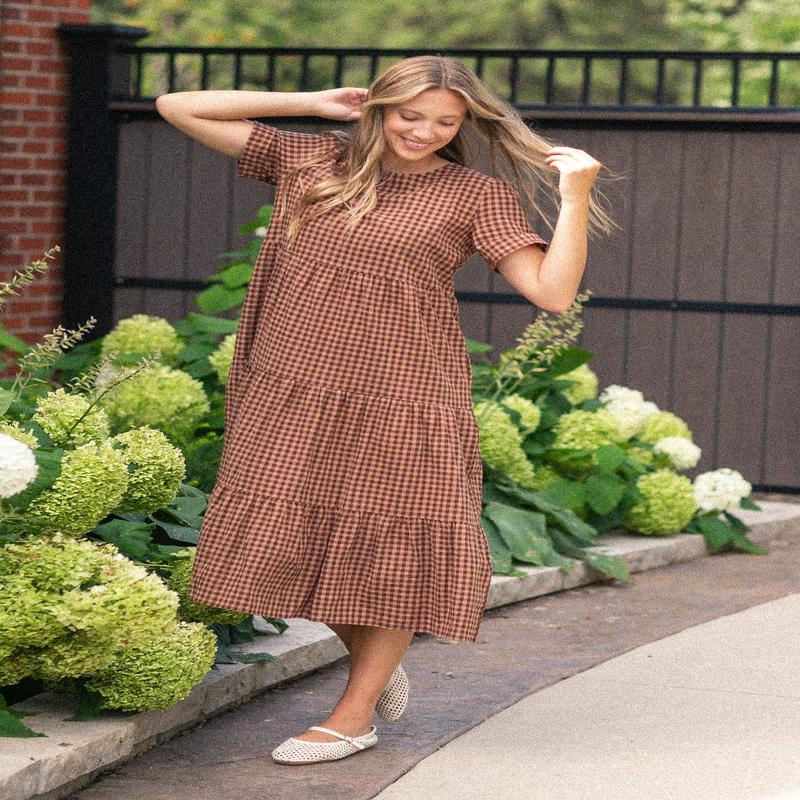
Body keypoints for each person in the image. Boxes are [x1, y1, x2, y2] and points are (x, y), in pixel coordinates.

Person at [155, 54, 612, 766]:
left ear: (464, 126)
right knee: (285, 535)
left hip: (405, 393)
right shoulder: (310, 160)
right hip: (291, 384)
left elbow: (552, 293)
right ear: (378, 107)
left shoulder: (473, 195)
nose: (424, 132)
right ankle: (376, 658)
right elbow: (178, 105)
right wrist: (311, 101)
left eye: (444, 122)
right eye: (410, 115)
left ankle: (355, 711)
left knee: (391, 547)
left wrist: (576, 196)